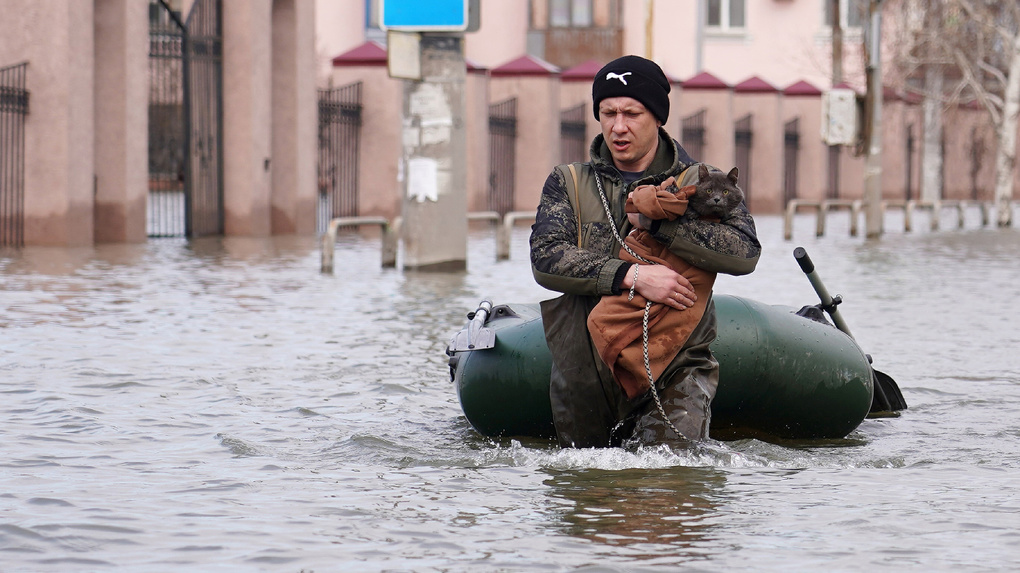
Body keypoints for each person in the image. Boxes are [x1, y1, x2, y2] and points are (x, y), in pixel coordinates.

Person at [529, 55, 761, 448]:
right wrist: (632, 276)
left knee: (665, 487)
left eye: (632, 113)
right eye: (608, 112)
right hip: (586, 370)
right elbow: (547, 257)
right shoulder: (567, 182)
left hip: (677, 367)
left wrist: (660, 224)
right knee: (588, 494)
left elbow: (744, 252)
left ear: (657, 117)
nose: (618, 126)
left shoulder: (702, 183)